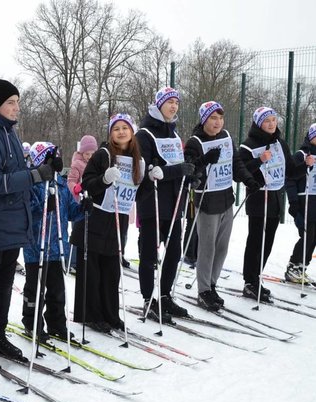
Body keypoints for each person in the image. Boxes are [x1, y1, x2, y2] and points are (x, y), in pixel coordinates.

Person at [0, 79, 57, 365]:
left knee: (6, 281)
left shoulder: (9, 133)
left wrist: (41, 170)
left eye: (18, 102)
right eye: (11, 102)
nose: (17, 107)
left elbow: (16, 173)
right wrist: (35, 175)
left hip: (13, 218)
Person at [70, 113, 143, 333]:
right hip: (96, 219)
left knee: (112, 271)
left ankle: (110, 313)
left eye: (125, 128)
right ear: (110, 133)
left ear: (132, 132)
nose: (121, 132)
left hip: (117, 221)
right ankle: (91, 315)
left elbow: (141, 190)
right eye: (116, 129)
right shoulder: (103, 155)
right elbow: (87, 185)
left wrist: (153, 176)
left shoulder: (137, 158)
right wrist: (103, 179)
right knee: (92, 271)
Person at [184, 101, 260, 310]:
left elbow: (236, 165)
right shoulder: (195, 142)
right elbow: (190, 172)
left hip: (226, 198)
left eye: (220, 118)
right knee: (207, 248)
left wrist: (248, 180)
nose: (217, 122)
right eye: (212, 118)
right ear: (204, 120)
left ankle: (212, 284)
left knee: (222, 247)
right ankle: (203, 290)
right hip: (207, 201)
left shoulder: (226, 137)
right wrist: (205, 160)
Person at [135, 87, 195, 323]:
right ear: (158, 105)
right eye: (169, 102)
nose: (173, 107)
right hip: (153, 203)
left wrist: (189, 174)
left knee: (173, 253)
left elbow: (176, 165)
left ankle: (165, 295)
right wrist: (176, 171)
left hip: (174, 203)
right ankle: (148, 299)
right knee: (149, 254)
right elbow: (147, 171)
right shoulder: (144, 135)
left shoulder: (174, 135)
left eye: (176, 103)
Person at [22, 141, 83, 340]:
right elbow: (28, 210)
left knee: (57, 290)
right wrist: (44, 206)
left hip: (58, 247)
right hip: (36, 247)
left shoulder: (61, 183)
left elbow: (70, 212)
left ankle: (56, 322)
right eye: (53, 156)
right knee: (35, 290)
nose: (58, 159)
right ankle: (31, 322)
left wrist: (83, 208)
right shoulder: (32, 182)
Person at [239, 107, 299, 301]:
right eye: (267, 121)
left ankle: (257, 278)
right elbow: (241, 170)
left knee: (268, 242)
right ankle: (249, 282)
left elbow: (290, 169)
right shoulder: (248, 145)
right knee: (256, 240)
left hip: (275, 198)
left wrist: (306, 165)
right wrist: (258, 160)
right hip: (258, 198)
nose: (272, 124)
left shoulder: (280, 143)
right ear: (258, 124)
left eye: (274, 120)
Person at [285, 123, 316, 283]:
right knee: (306, 235)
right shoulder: (301, 155)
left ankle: (302, 267)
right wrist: (294, 202)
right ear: (311, 137)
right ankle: (293, 266)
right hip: (305, 200)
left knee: (314, 237)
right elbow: (290, 179)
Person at [67, 135, 98, 273]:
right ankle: (73, 261)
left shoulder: (97, 164)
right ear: (81, 153)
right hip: (79, 202)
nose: (90, 157)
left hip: (93, 203)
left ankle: (89, 260)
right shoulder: (77, 164)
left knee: (91, 233)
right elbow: (70, 180)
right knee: (78, 232)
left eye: (92, 154)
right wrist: (76, 187)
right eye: (87, 154)